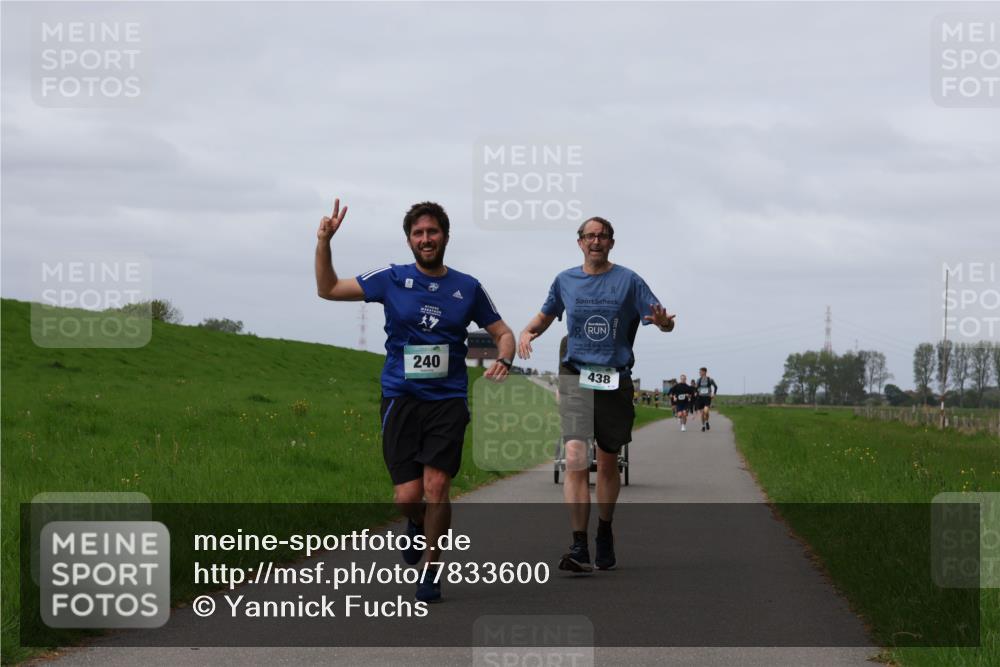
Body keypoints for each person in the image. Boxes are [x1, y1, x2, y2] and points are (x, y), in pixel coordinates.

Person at [315, 198, 515, 602]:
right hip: (401, 398)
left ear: (445, 236)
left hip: (448, 398)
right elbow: (329, 289)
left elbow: (503, 333)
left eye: (433, 232)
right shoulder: (390, 278)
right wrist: (324, 242)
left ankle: (431, 569)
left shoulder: (467, 287)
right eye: (418, 233)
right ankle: (416, 522)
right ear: (409, 239)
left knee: (437, 485)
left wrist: (505, 359)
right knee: (408, 497)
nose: (426, 239)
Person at [518, 216, 674, 573]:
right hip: (575, 374)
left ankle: (604, 530)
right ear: (579, 242)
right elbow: (546, 315)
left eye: (602, 236)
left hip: (614, 378)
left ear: (611, 243)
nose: (596, 241)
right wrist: (528, 333)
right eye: (589, 236)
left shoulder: (629, 281)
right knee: (574, 456)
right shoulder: (565, 280)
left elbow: (661, 319)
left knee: (606, 461)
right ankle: (578, 545)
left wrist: (665, 323)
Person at [693, 367, 719, 431]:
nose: (699, 373)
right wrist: (696, 392)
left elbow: (715, 387)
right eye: (699, 372)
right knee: (702, 413)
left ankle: (707, 421)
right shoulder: (698, 380)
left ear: (704, 372)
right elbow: (695, 388)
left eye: (700, 372)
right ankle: (703, 426)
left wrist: (714, 394)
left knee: (706, 411)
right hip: (700, 398)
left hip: (707, 397)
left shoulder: (710, 379)